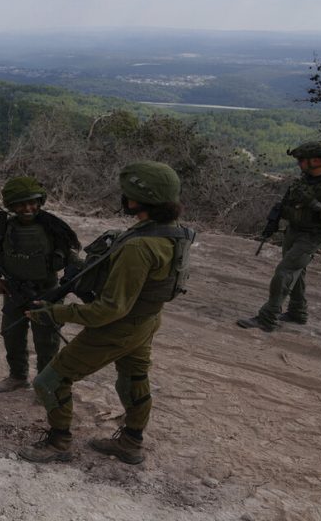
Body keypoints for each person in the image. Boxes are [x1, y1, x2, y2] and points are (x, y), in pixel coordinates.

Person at [17, 161, 195, 465]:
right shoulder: (174, 232)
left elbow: (109, 310)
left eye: (128, 193)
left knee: (49, 381)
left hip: (119, 327)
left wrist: (54, 313)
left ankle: (59, 443)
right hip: (147, 320)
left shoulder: (140, 246)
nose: (124, 197)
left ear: (140, 199)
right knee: (133, 378)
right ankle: (131, 443)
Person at [237, 141, 321, 332]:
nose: (299, 163)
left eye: (302, 160)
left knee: (284, 272)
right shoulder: (306, 179)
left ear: (316, 161)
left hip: (313, 235)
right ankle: (297, 312)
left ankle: (268, 318)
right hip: (294, 230)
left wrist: (315, 204)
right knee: (296, 272)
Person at [0, 177, 80, 393]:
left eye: (32, 203)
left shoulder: (53, 227)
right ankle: (17, 376)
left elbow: (71, 257)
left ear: (40, 201)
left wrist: (75, 278)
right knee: (12, 335)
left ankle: (45, 384)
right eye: (21, 204)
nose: (27, 208)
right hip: (14, 292)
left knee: (47, 340)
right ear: (11, 206)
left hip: (47, 292)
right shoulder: (5, 229)